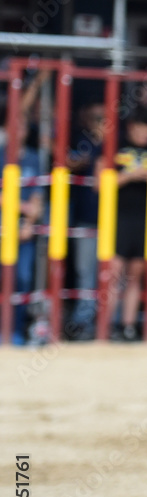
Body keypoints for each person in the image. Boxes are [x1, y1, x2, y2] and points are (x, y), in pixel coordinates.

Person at [97, 108, 147, 342]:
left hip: (144, 219)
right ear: (131, 127)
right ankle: (105, 326)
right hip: (118, 218)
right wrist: (130, 176)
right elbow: (99, 184)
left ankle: (128, 326)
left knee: (135, 276)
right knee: (112, 273)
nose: (144, 133)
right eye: (140, 127)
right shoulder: (115, 148)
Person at [0, 124, 44, 345]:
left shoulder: (33, 158)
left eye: (23, 126)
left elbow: (38, 195)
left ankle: (15, 331)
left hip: (24, 233)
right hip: (3, 228)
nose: (19, 130)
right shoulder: (1, 154)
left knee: (22, 280)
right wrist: (24, 208)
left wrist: (28, 221)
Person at [65, 101, 104, 340]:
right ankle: (82, 322)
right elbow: (68, 162)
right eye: (95, 119)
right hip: (86, 219)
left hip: (115, 221)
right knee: (84, 272)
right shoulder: (82, 143)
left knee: (111, 275)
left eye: (103, 118)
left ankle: (111, 324)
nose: (99, 124)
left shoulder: (119, 145)